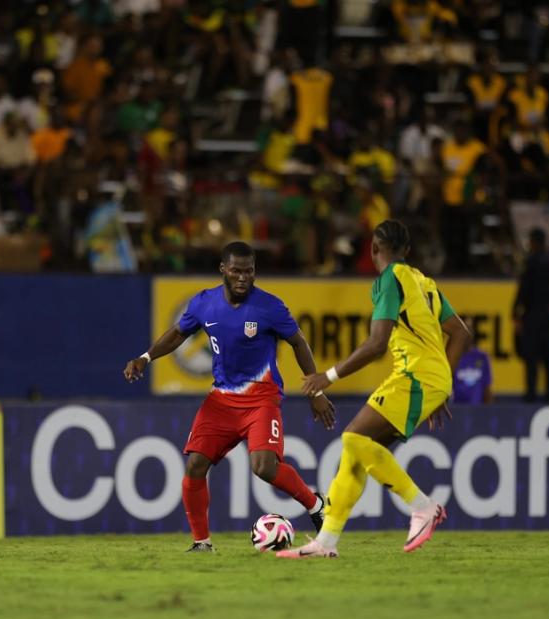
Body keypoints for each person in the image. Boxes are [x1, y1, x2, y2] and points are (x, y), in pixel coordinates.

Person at [123, 241, 336, 552]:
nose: (243, 278)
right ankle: (202, 543)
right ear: (223, 269)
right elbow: (178, 333)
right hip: (221, 401)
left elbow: (299, 343)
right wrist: (145, 357)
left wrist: (315, 390)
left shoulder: (270, 307)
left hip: (261, 399)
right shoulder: (204, 303)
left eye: (249, 271)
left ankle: (316, 504)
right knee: (195, 465)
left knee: (263, 466)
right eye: (236, 270)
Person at [277, 220, 472, 558]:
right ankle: (326, 542)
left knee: (353, 439)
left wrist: (330, 376)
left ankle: (423, 507)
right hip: (430, 378)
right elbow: (461, 334)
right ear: (407, 251)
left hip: (415, 375)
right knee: (355, 453)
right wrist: (442, 386)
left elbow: (377, 343)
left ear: (373, 249)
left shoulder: (389, 280)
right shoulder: (423, 282)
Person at [514, 228, 549, 403]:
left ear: (535, 242)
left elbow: (523, 290)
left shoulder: (530, 263)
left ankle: (531, 395)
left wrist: (516, 312)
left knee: (531, 358)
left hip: (532, 315)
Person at [452, 317, 493, 404]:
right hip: (457, 410)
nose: (467, 334)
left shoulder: (482, 357)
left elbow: (487, 388)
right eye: (464, 330)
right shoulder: (453, 356)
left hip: (478, 411)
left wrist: (488, 412)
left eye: (469, 330)